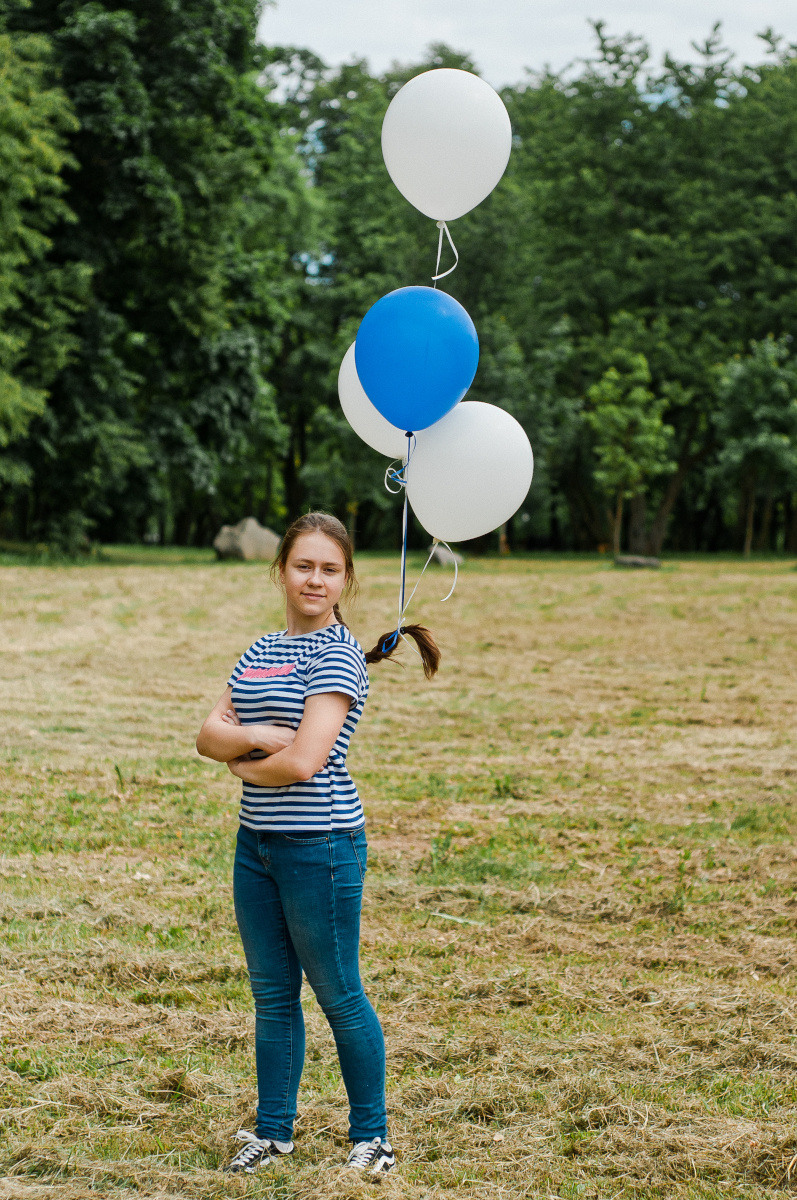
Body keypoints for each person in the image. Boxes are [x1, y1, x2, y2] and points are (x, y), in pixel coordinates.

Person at [196, 511, 440, 1177]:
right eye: (303, 564)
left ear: (345, 581)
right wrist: (264, 741)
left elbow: (303, 763)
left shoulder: (336, 656)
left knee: (337, 992)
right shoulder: (262, 649)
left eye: (329, 569)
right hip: (258, 845)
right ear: (280, 570)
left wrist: (247, 756)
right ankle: (273, 1133)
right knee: (273, 995)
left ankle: (373, 1138)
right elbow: (205, 734)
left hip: (320, 845)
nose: (314, 578)